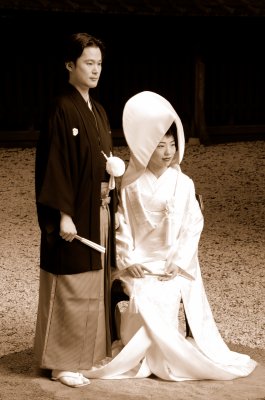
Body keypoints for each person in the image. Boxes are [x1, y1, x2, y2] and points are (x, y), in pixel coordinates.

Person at [82, 91, 257, 381]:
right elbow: (121, 226)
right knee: (144, 293)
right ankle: (152, 354)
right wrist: (127, 261)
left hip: (173, 263)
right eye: (160, 145)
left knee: (165, 292)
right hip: (140, 261)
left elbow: (192, 226)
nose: (167, 152)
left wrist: (178, 261)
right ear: (144, 148)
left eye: (172, 145)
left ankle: (163, 357)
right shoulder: (130, 185)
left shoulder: (184, 183)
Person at [34, 32, 123, 388]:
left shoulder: (97, 110)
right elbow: (54, 165)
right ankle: (60, 362)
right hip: (73, 214)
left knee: (93, 284)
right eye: (89, 63)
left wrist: (114, 176)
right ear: (70, 65)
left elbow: (99, 162)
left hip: (97, 207)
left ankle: (84, 355)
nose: (95, 69)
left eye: (99, 63)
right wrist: (62, 214)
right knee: (71, 283)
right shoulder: (62, 108)